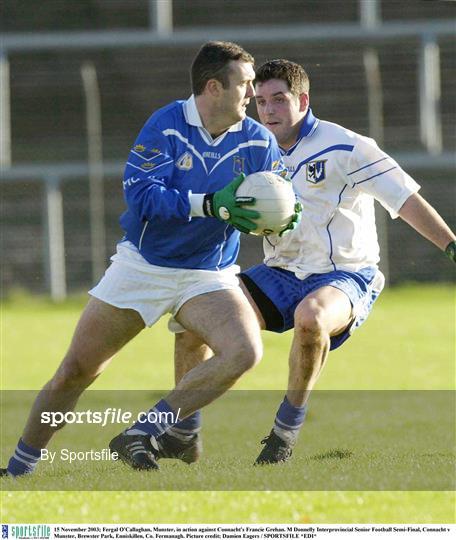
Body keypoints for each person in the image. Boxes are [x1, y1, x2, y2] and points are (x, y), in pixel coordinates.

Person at [0, 42, 298, 477]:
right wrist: (210, 204)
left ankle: (142, 432)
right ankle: (18, 469)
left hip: (207, 274)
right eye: (246, 85)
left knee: (244, 350)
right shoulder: (167, 125)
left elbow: (276, 192)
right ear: (213, 87)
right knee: (77, 370)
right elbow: (141, 197)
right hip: (145, 266)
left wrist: (283, 217)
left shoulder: (257, 141)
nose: (253, 95)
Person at [159, 59, 456, 466]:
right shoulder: (251, 149)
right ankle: (183, 433)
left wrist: (451, 245)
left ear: (302, 100)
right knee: (195, 320)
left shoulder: (348, 146)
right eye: (260, 101)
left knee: (311, 318)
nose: (268, 110)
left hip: (347, 274)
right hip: (280, 272)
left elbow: (405, 201)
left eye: (279, 99)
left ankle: (284, 434)